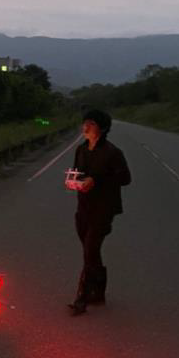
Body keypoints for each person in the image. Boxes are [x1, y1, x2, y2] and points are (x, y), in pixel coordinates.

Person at [69, 109, 131, 315]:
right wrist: (74, 181)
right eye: (85, 122)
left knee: (90, 249)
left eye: (92, 124)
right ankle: (99, 291)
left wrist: (97, 180)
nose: (86, 127)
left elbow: (125, 179)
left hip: (104, 208)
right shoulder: (81, 149)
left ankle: (82, 297)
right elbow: (77, 173)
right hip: (83, 206)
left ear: (102, 128)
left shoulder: (113, 153)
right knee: (91, 252)